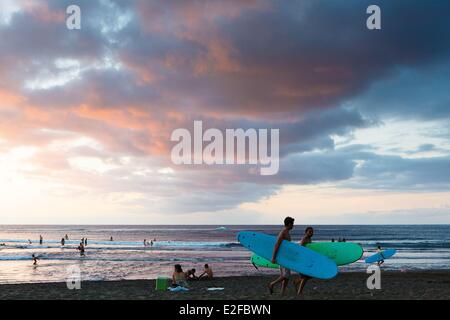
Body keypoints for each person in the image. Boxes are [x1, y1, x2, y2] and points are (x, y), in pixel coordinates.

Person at [268, 216, 294, 295]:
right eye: (292, 224)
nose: (293, 225)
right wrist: (273, 258)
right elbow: (277, 245)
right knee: (285, 275)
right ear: (289, 224)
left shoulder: (287, 232)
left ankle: (283, 292)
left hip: (286, 257)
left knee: (286, 277)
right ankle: (272, 284)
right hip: (282, 257)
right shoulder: (283, 232)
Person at [295, 227, 314, 295]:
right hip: (302, 261)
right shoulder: (304, 239)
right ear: (306, 232)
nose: (311, 233)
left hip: (306, 260)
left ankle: (297, 282)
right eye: (310, 231)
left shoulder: (309, 239)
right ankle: (299, 292)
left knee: (310, 275)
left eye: (312, 232)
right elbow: (300, 250)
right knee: (305, 277)